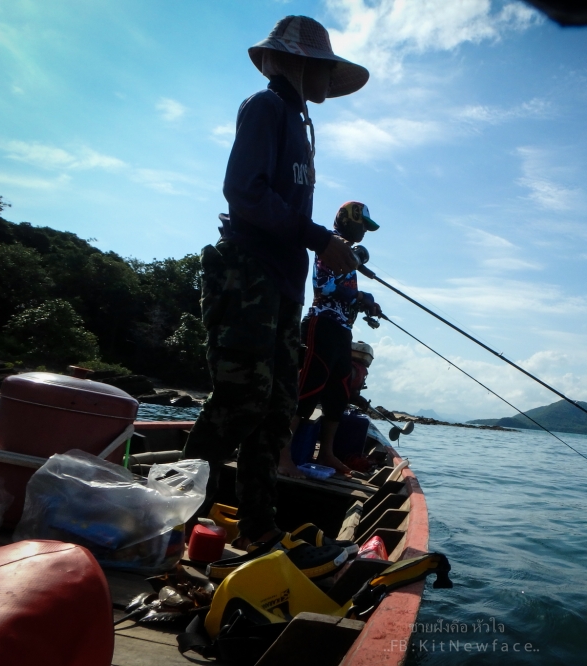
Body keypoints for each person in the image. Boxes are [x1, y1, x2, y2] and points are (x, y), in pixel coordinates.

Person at [183, 16, 367, 549]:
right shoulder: (266, 107)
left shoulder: (300, 121)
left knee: (276, 411)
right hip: (248, 275)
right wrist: (317, 238)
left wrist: (317, 245)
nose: (329, 82)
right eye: (323, 69)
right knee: (242, 398)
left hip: (284, 286)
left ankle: (260, 527)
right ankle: (168, 511)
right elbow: (243, 191)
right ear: (294, 62)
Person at [280, 202, 381, 477]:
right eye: (362, 225)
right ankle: (281, 456)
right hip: (320, 325)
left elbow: (345, 292)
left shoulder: (349, 254)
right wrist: (360, 297)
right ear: (349, 221)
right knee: (308, 391)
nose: (364, 231)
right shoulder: (331, 245)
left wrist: (365, 304)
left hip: (341, 330)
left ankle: (327, 454)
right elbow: (325, 286)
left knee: (338, 395)